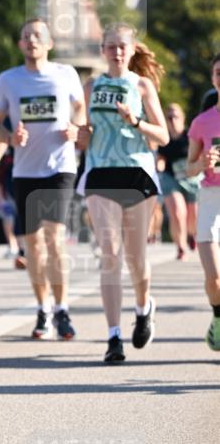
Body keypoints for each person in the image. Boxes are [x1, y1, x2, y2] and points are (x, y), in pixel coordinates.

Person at [0, 19, 86, 340]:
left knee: (54, 237)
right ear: (20, 45)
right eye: (26, 36)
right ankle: (42, 308)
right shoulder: (9, 80)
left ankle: (62, 309)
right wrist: (10, 137)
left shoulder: (66, 74)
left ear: (49, 42)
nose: (32, 40)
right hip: (25, 170)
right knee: (33, 246)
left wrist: (76, 128)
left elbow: (80, 110)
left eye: (38, 35)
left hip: (60, 166)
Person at [77, 24, 168, 363]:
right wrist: (80, 135)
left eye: (122, 47)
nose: (116, 52)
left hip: (137, 173)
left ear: (131, 52)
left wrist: (135, 121)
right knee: (110, 254)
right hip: (100, 171)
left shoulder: (141, 85)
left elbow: (164, 136)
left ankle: (144, 308)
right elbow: (82, 127)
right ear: (102, 50)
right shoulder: (91, 86)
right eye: (110, 46)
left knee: (136, 258)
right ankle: (113, 336)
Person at [186, 53, 220, 351]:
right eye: (219, 72)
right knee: (215, 277)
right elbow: (189, 167)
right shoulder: (202, 122)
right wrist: (203, 163)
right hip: (211, 197)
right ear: (213, 79)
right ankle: (218, 317)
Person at [158, 103, 200, 259]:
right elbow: (160, 158)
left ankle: (191, 234)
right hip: (171, 178)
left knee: (193, 216)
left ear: (182, 118)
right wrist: (159, 165)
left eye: (175, 116)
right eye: (169, 117)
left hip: (191, 179)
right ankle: (180, 246)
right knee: (177, 212)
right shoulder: (164, 138)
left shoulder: (190, 136)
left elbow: (199, 154)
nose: (172, 120)